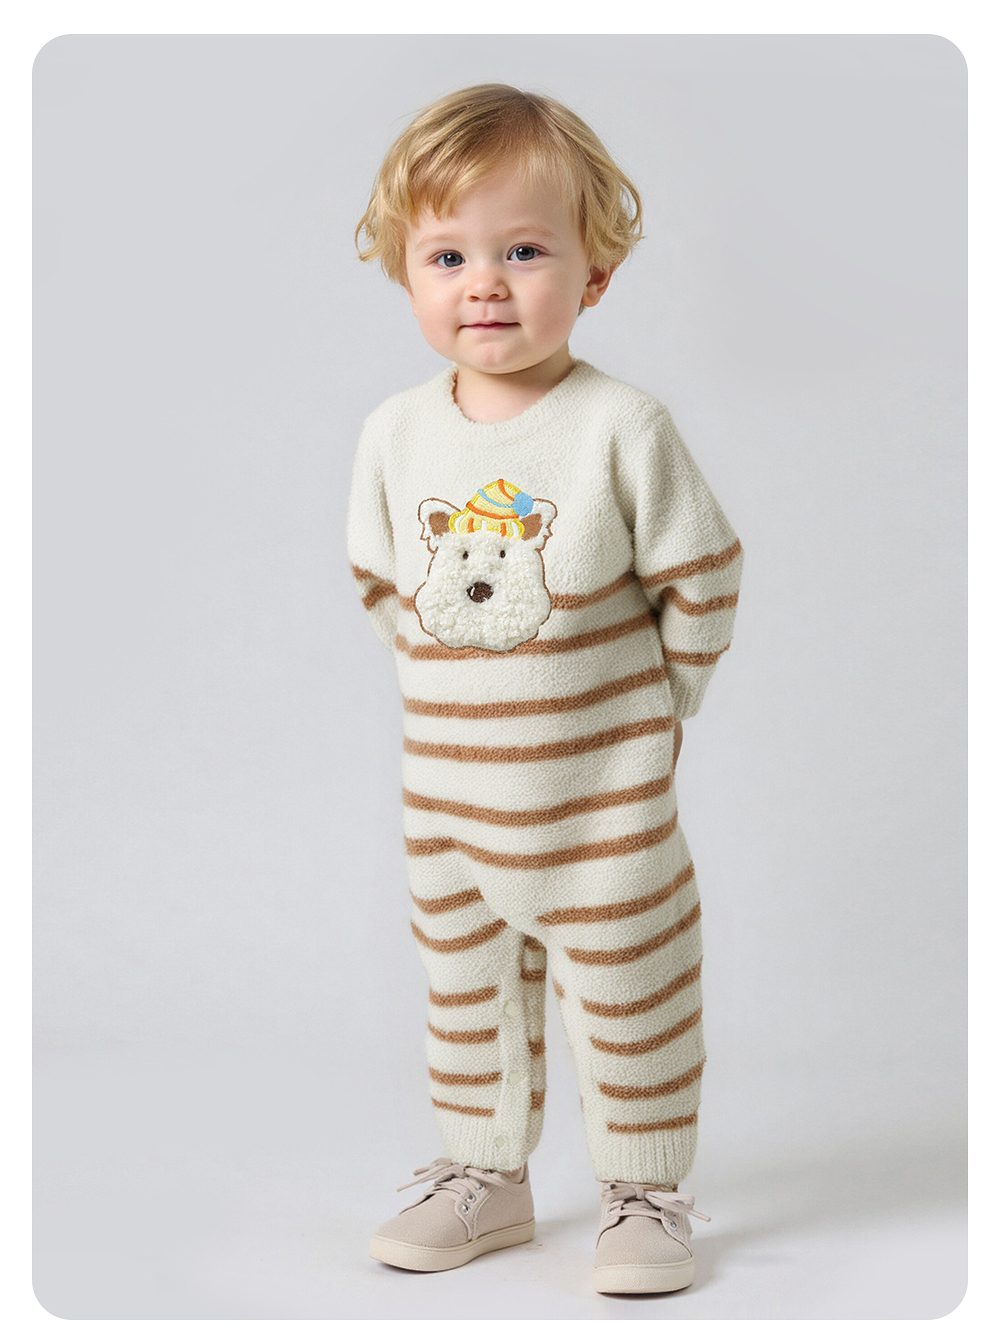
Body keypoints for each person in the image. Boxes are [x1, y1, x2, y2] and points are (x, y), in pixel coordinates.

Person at [346, 83, 743, 1295]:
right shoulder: (394, 435)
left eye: (523, 252)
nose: (486, 284)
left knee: (632, 991)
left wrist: (662, 706)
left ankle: (644, 1191)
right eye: (448, 256)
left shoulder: (620, 427)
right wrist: (454, 688)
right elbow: (381, 581)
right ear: (406, 274)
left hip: (599, 804)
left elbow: (701, 573)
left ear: (593, 275)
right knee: (465, 994)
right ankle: (487, 1178)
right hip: (449, 804)